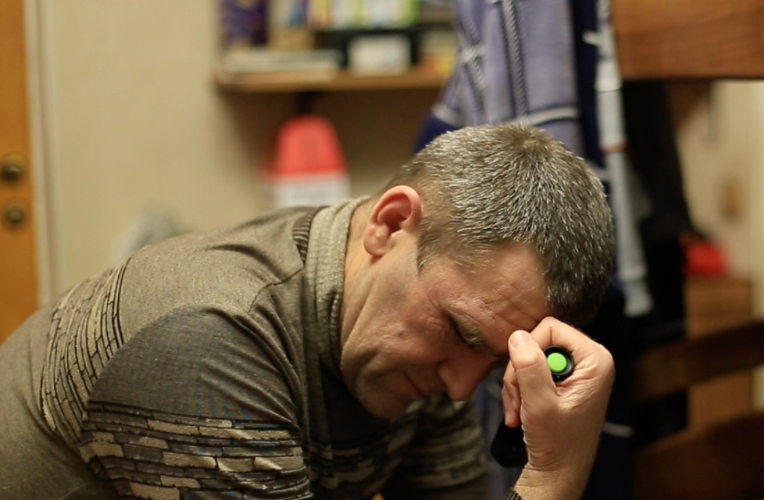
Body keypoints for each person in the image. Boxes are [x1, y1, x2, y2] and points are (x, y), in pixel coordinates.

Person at [0, 123, 617, 500]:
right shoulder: (206, 339)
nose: (460, 389)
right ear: (390, 223)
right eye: (460, 332)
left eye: (493, 362)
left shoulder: (424, 342)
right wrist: (554, 475)